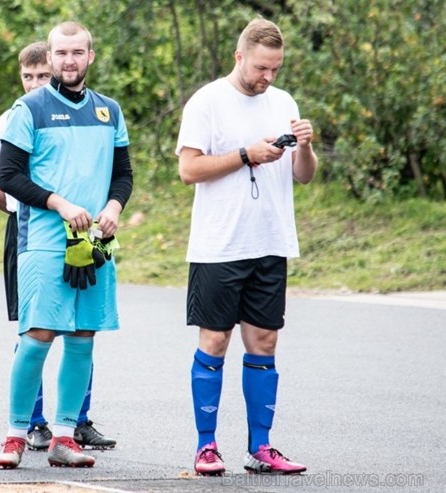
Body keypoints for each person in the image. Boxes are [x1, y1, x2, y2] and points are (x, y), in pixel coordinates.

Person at [176, 18, 317, 476]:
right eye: (261, 68)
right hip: (219, 243)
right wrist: (245, 155)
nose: (268, 78)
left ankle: (261, 447)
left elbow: (303, 176)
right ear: (239, 57)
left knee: (265, 340)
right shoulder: (207, 102)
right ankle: (206, 446)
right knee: (216, 340)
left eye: (275, 69)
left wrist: (306, 149)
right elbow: (189, 170)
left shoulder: (284, 102)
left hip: (271, 240)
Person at [0, 21, 132, 469]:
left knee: (82, 337)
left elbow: (123, 174)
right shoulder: (28, 109)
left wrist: (114, 206)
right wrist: (58, 203)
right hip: (44, 241)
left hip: (92, 242)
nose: (69, 60)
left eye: (77, 52)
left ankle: (65, 436)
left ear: (90, 56)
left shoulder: (109, 111)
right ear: (49, 58)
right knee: (37, 337)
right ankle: (16, 434)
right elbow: (9, 176)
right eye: (61, 53)